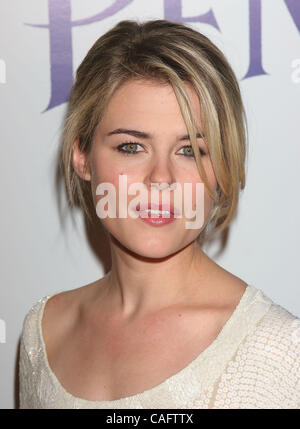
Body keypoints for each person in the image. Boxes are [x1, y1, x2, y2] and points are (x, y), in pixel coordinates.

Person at [18, 19, 300, 409]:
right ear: (82, 157)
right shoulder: (44, 332)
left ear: (222, 166)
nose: (161, 179)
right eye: (131, 147)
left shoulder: (278, 353)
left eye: (190, 150)